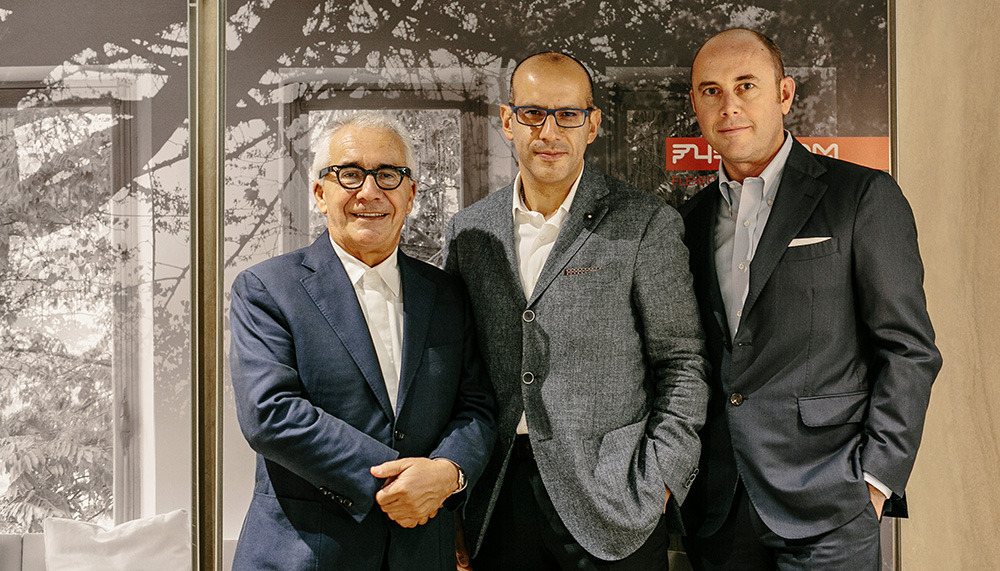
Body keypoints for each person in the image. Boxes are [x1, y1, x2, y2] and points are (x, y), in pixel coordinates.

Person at [679, 29, 942, 570]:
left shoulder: (861, 195)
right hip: (719, 511)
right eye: (711, 91)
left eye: (746, 86)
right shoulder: (688, 221)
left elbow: (909, 349)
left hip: (830, 505)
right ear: (696, 105)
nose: (729, 106)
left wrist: (875, 481)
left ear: (784, 94)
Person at [445, 52, 710, 570]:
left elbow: (682, 362)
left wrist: (660, 479)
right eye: (532, 113)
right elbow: (458, 371)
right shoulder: (469, 232)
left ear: (592, 124)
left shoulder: (644, 222)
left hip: (615, 500)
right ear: (507, 122)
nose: (549, 131)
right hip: (497, 501)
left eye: (567, 114)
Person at [229, 111, 497, 571]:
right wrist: (399, 483)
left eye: (388, 175)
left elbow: (477, 406)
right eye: (350, 174)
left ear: (410, 195)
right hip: (305, 557)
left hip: (421, 555)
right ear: (320, 193)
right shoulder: (266, 289)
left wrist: (446, 473)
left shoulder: (449, 294)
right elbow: (270, 414)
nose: (369, 191)